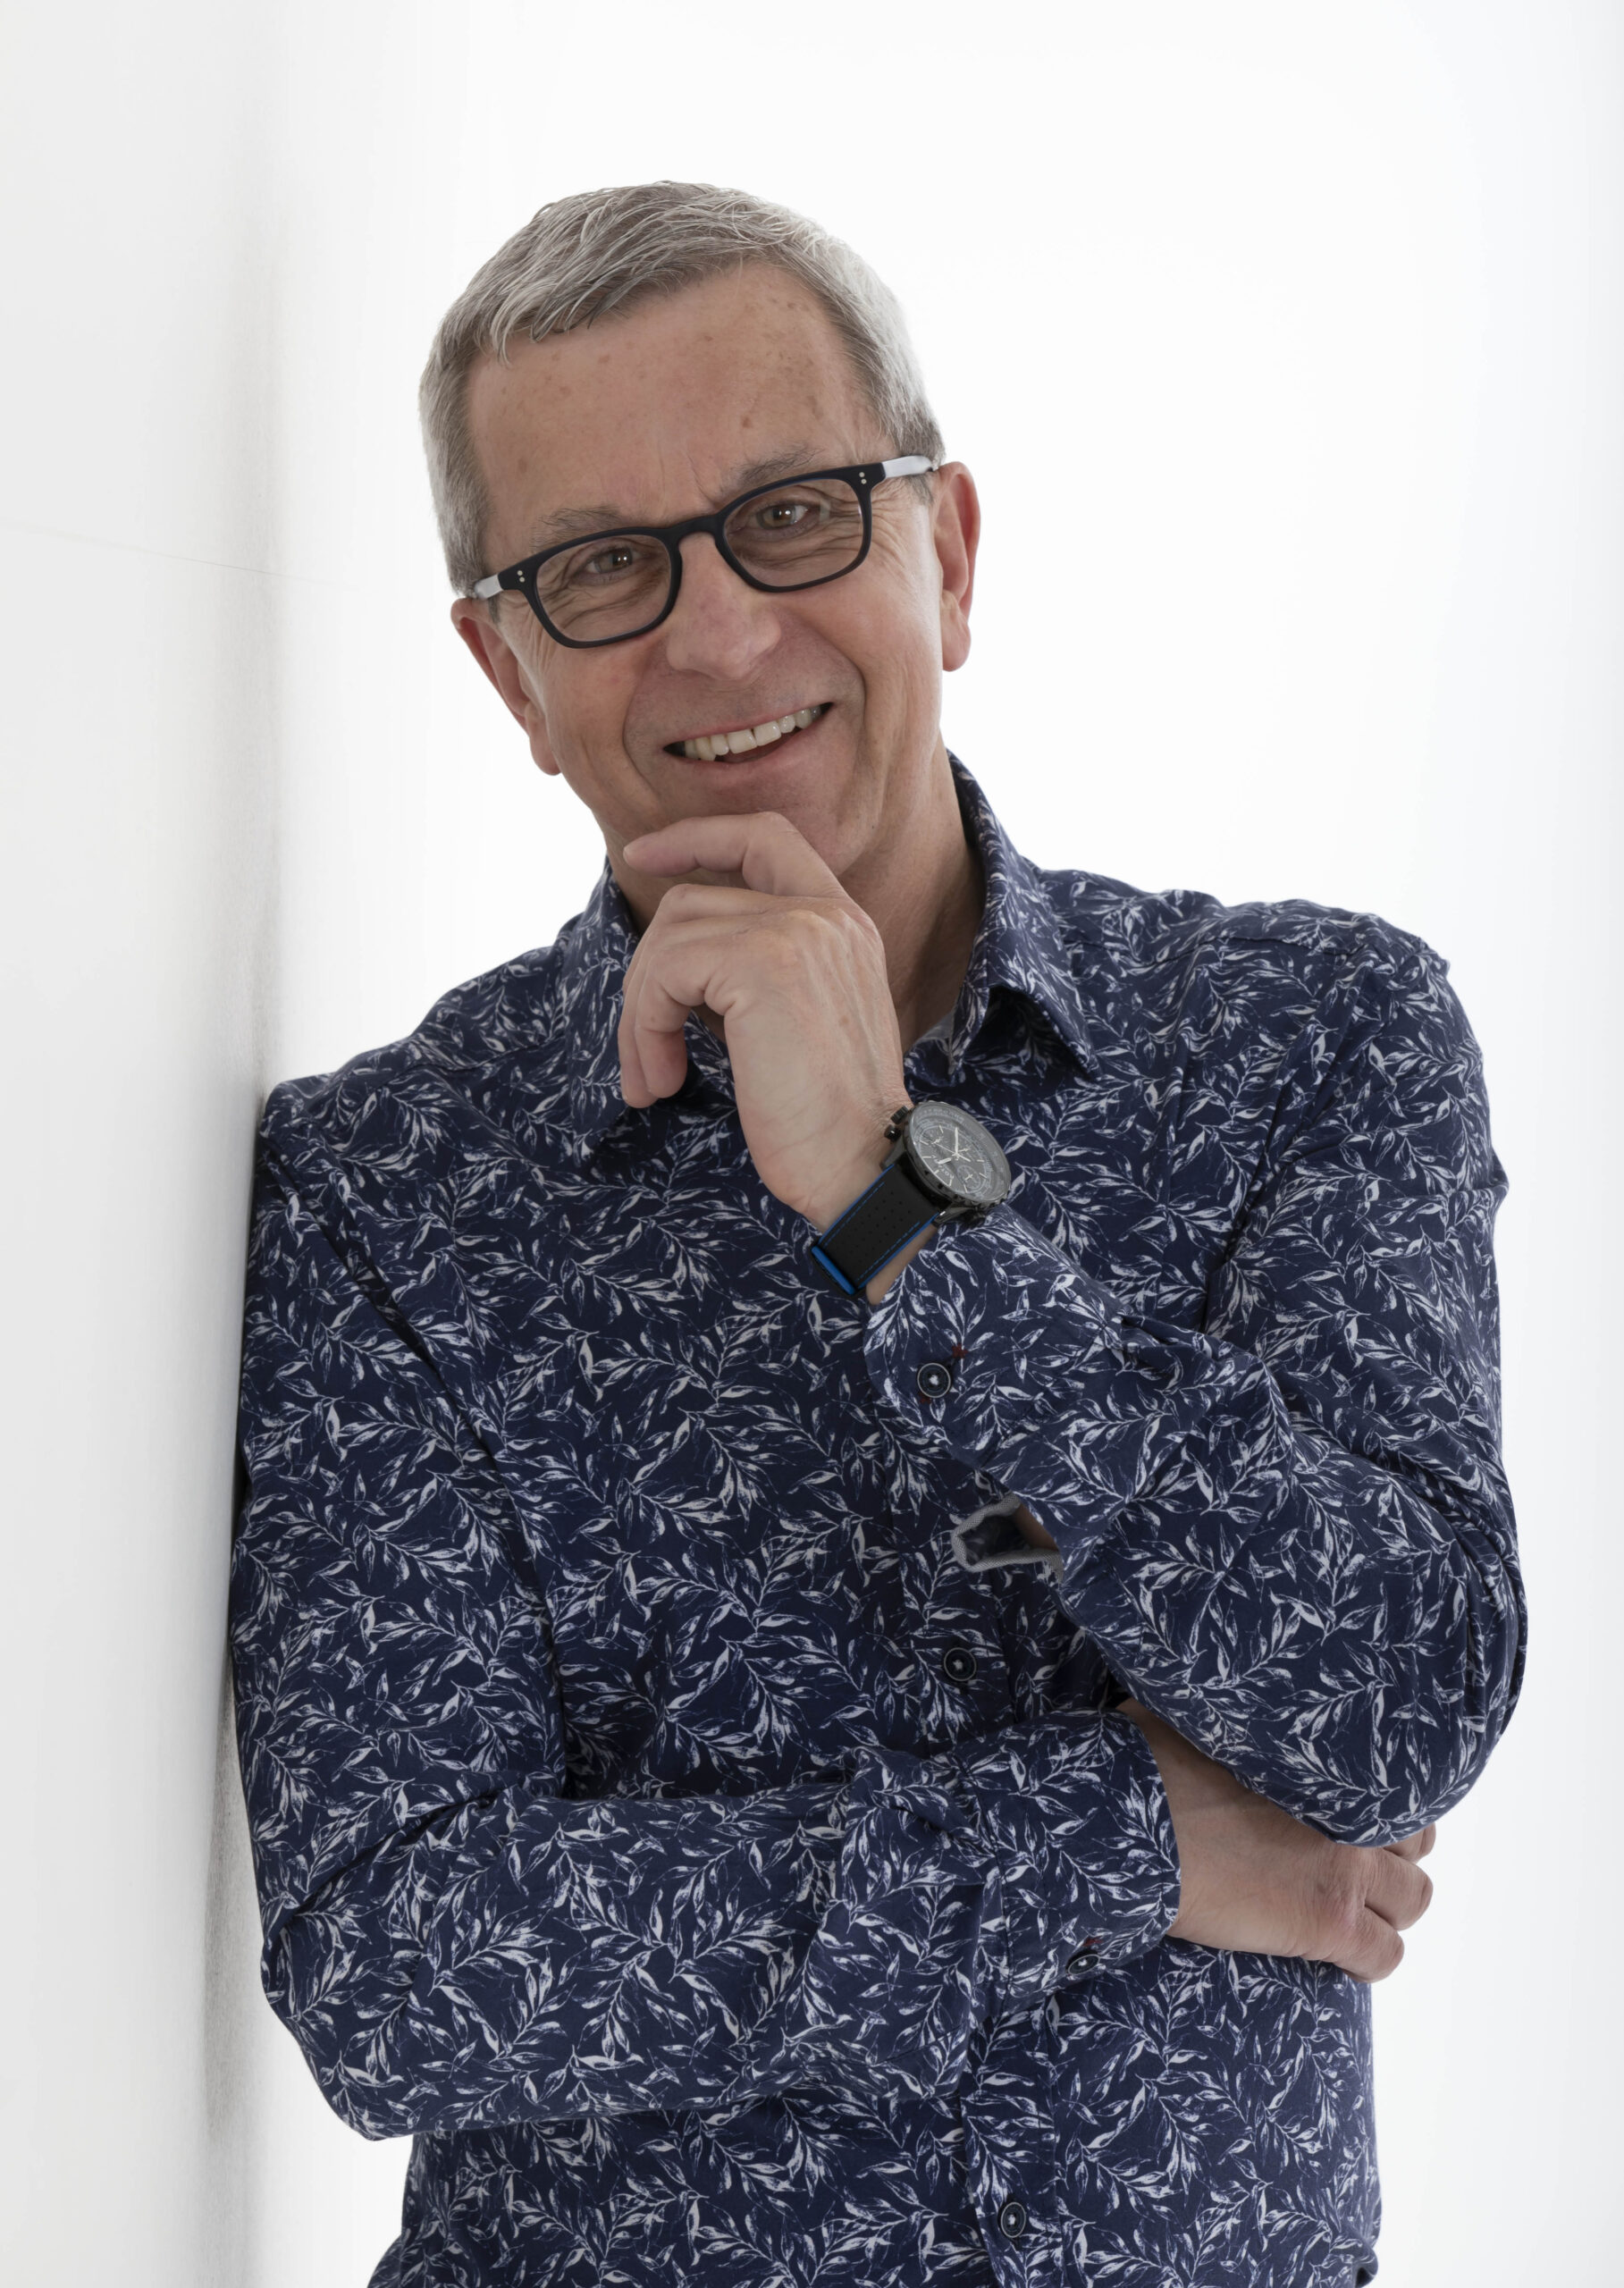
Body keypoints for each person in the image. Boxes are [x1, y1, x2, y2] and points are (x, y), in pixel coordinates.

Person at [230, 181, 1524, 2288]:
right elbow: (400, 1966)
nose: (720, 633)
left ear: (953, 549)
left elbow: (1393, 1697)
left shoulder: (1309, 1035)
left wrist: (897, 1198)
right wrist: (1127, 1835)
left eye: (795, 514)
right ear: (508, 667)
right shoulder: (390, 1182)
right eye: (601, 566)